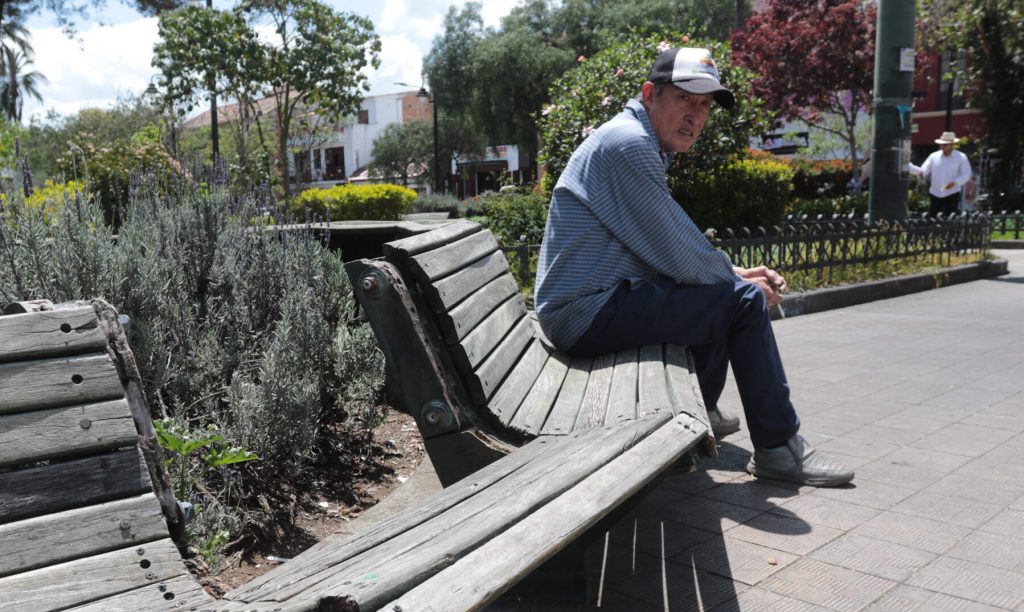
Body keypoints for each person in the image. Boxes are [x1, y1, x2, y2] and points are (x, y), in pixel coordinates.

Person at [534, 47, 854, 487]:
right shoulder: (627, 144)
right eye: (685, 99)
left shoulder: (631, 138)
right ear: (650, 94)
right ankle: (779, 449)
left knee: (723, 293)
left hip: (591, 304)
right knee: (738, 302)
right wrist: (741, 282)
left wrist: (737, 273)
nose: (696, 116)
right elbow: (678, 250)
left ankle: (699, 408)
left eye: (705, 106)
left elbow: (671, 246)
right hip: (584, 312)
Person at [909, 131, 973, 216]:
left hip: (952, 194)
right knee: (933, 220)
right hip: (935, 194)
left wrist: (955, 183)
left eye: (945, 144)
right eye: (941, 144)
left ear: (952, 144)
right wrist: (908, 166)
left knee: (949, 220)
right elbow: (923, 171)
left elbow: (967, 174)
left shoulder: (961, 157)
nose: (942, 146)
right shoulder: (933, 156)